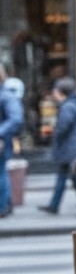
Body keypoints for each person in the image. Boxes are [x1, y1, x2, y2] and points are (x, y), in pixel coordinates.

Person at [39, 77, 76, 215]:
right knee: (67, 178)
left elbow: (63, 127)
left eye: (55, 90)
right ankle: (55, 205)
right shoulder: (72, 104)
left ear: (60, 92)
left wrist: (54, 134)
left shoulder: (68, 106)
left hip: (70, 150)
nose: (53, 93)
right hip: (72, 149)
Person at [0, 74, 23, 217]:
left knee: (1, 172)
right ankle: (6, 204)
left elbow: (16, 118)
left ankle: (3, 206)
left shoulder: (6, 96)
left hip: (2, 141)